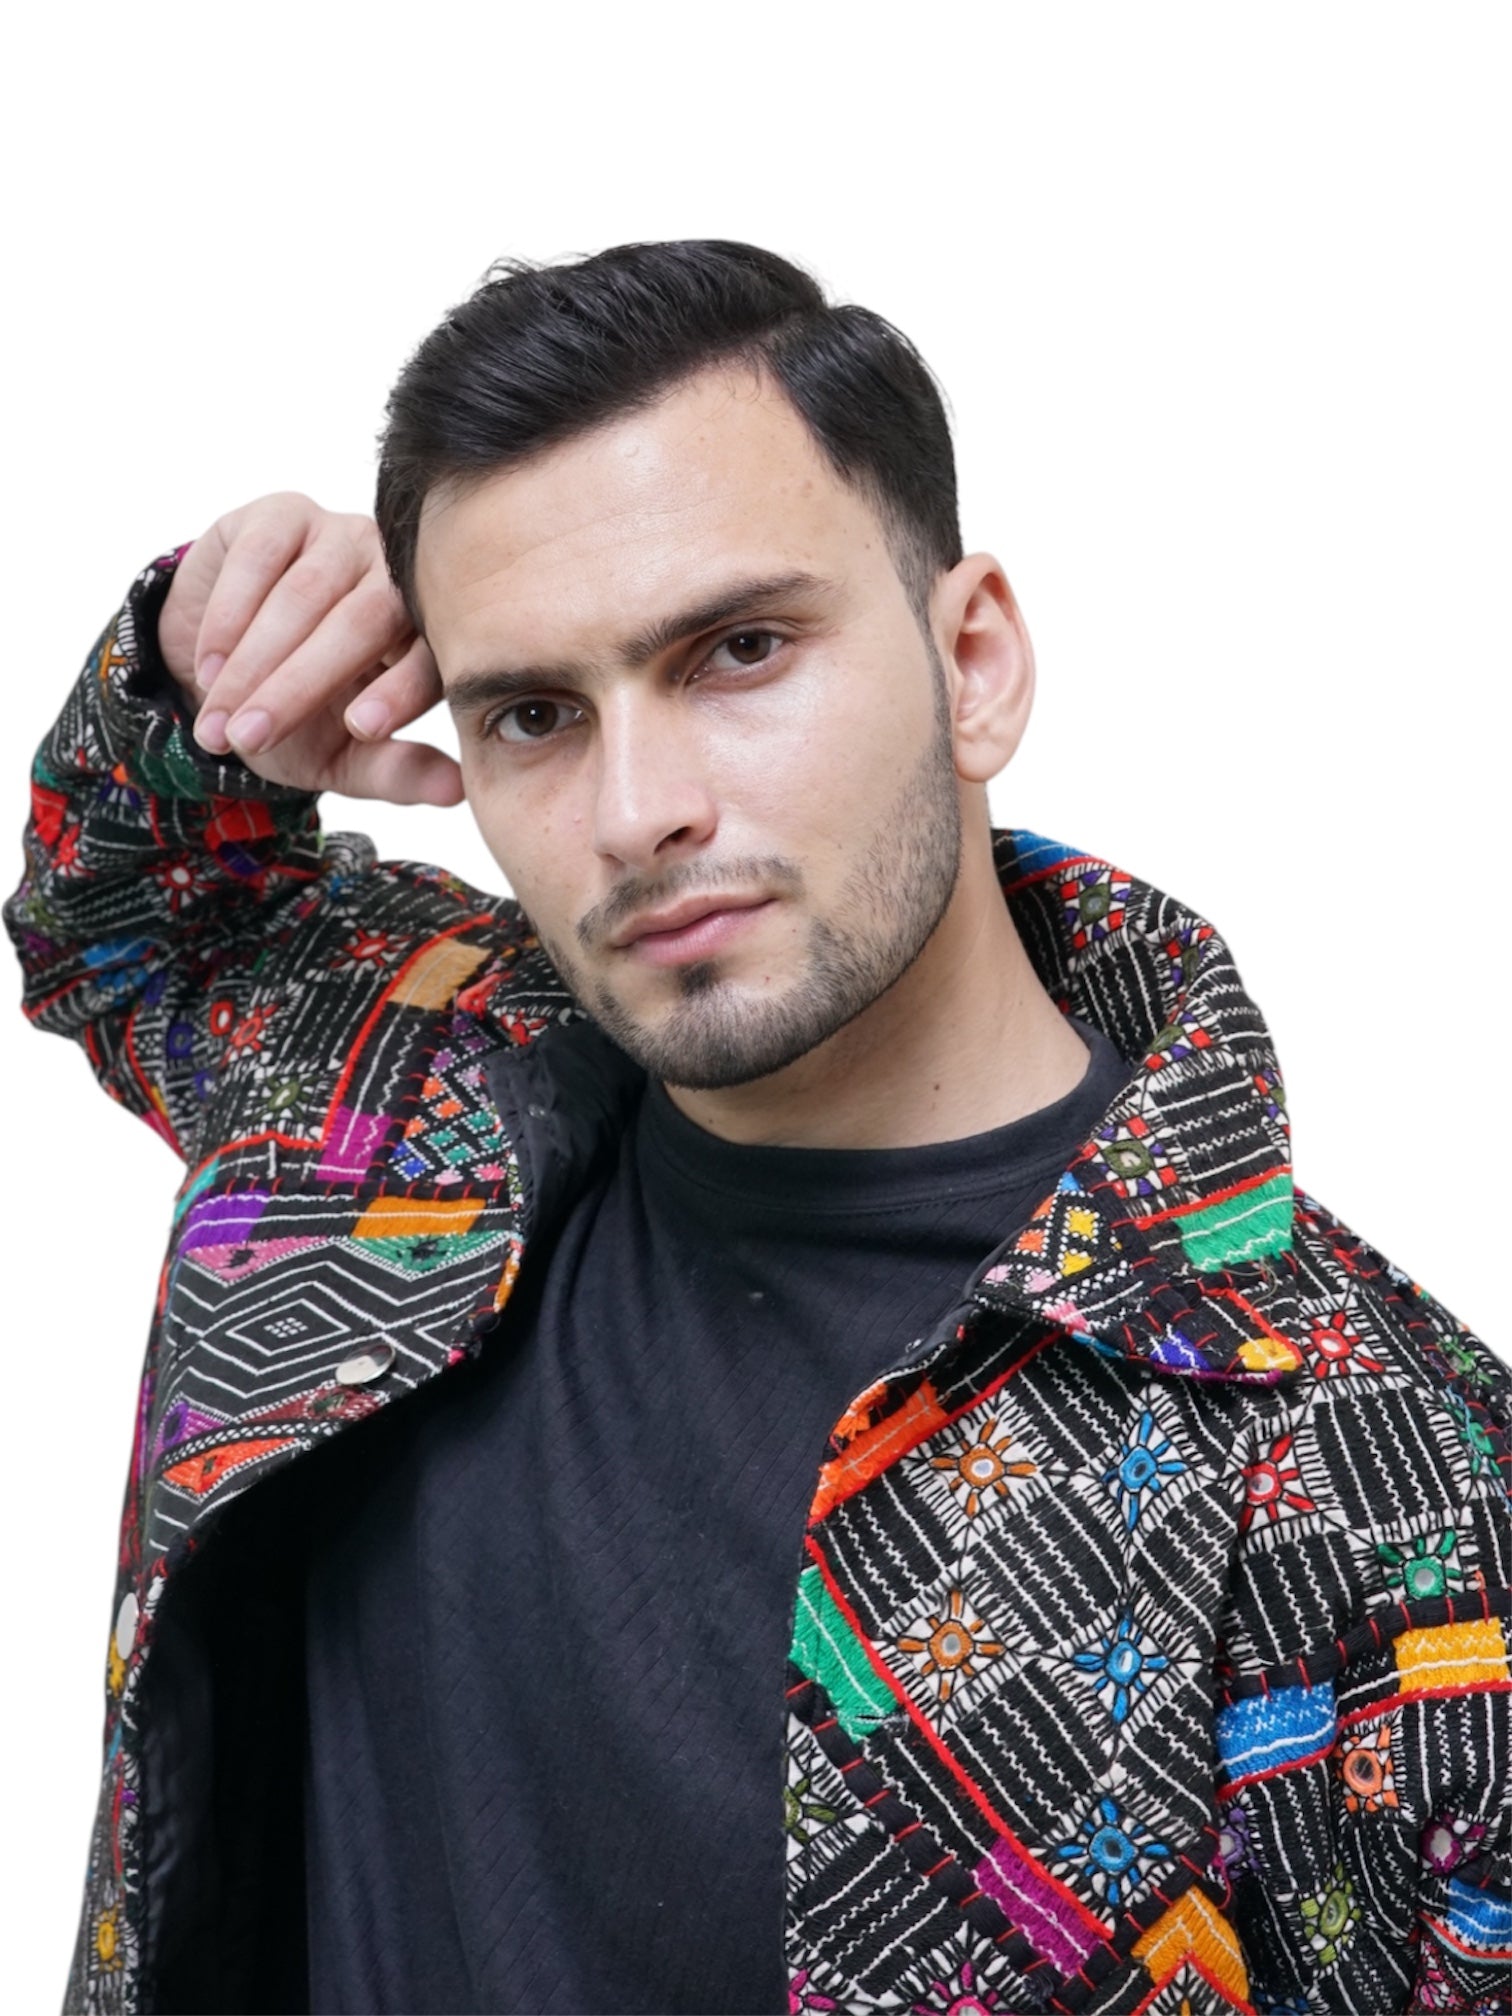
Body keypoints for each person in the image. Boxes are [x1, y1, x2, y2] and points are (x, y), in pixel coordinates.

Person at [8, 239, 1509, 2016]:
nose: (638, 811)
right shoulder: (389, 1093)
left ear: (976, 662)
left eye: (736, 651)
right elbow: (121, 916)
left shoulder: (1379, 1476)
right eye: (536, 713)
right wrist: (204, 661)